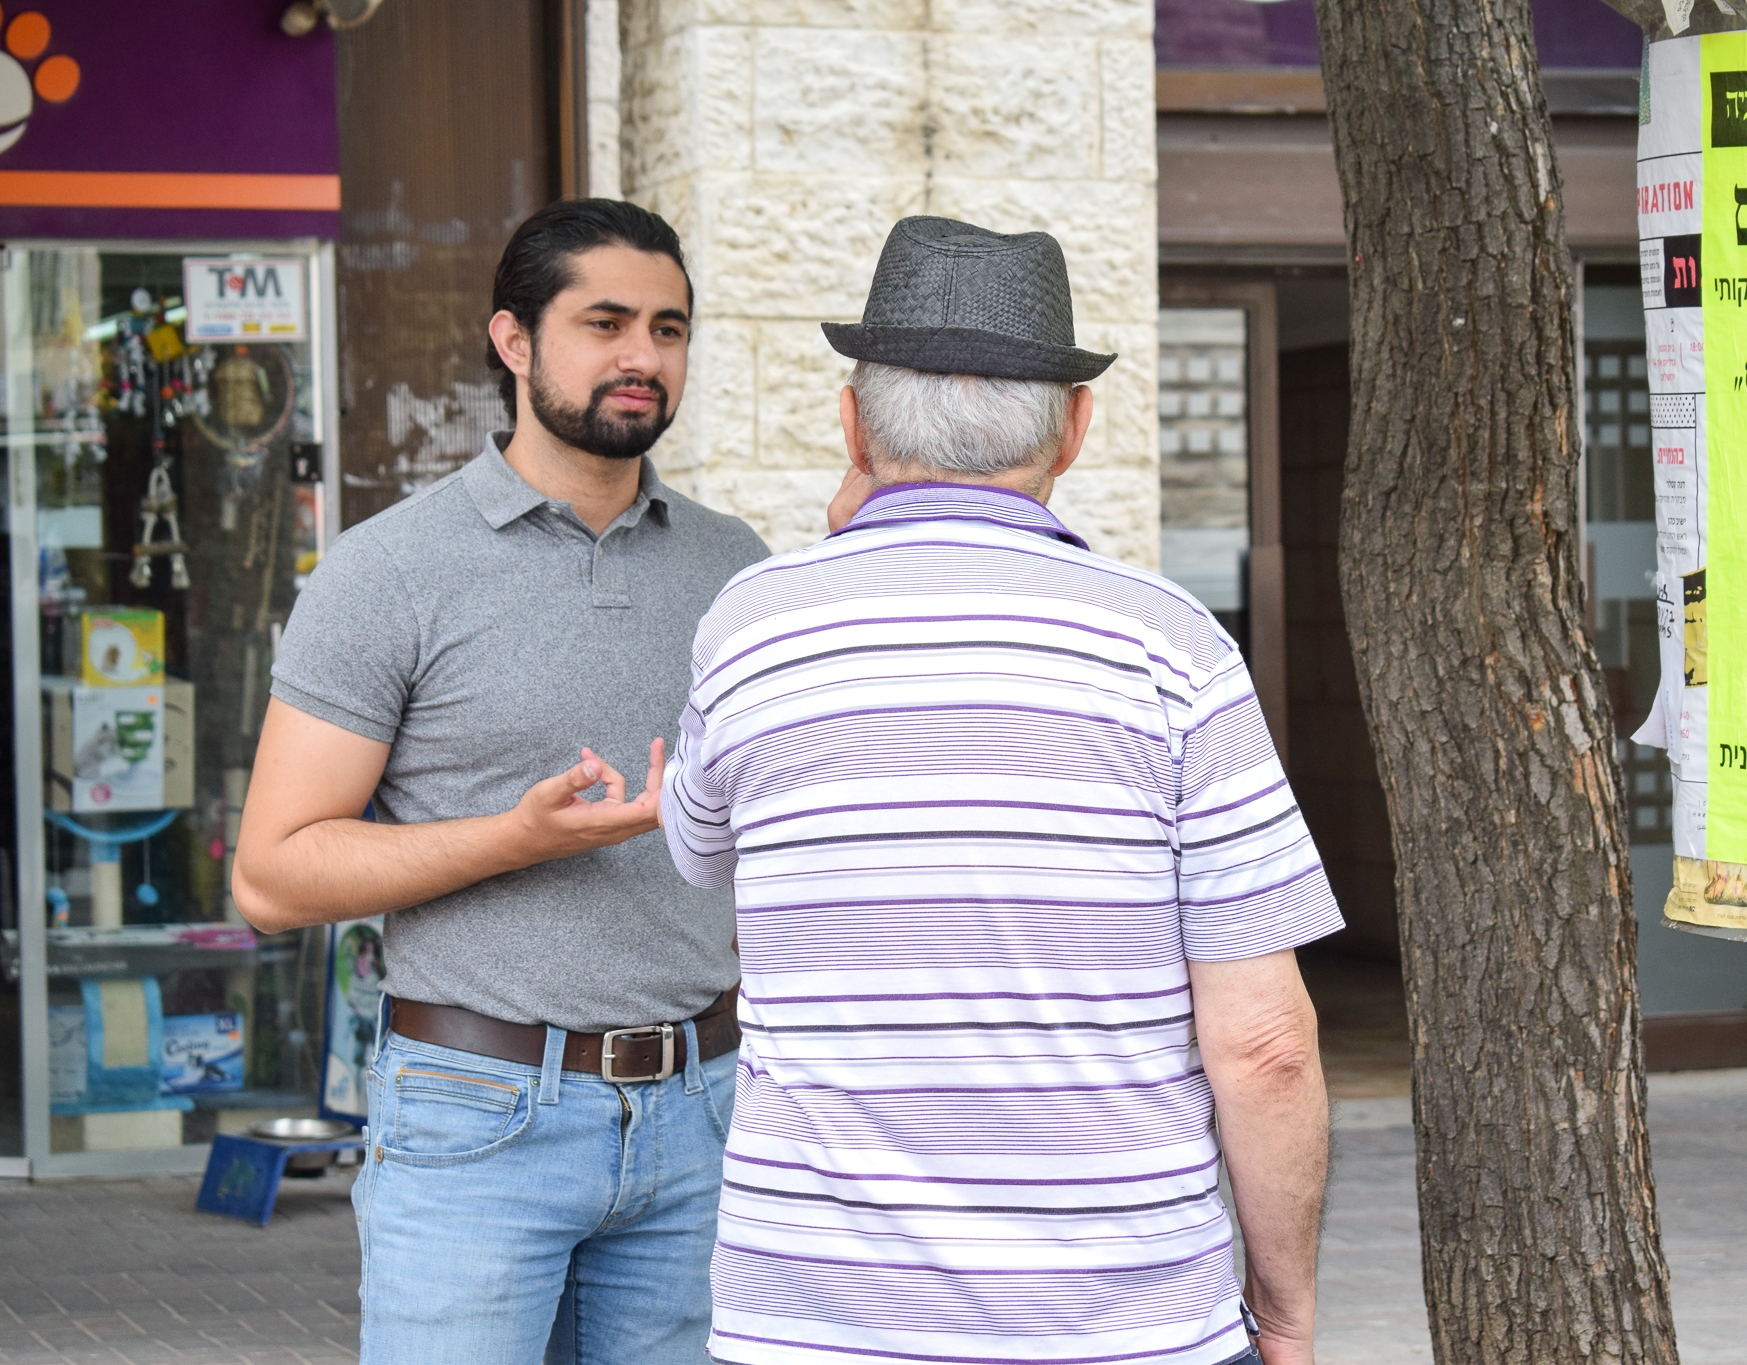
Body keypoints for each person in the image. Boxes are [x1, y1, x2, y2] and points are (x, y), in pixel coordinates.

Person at [660, 216, 1343, 1365]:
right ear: (1073, 429)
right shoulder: (1170, 648)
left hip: (817, 1328)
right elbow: (1265, 1043)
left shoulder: (750, 628)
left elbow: (696, 851)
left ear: (852, 426)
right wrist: (1282, 1312)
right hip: (1126, 1325)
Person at [233, 199, 768, 1365]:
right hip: (477, 1110)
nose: (642, 357)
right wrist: (512, 839)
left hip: (706, 1111)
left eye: (669, 329)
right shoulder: (388, 571)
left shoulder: (739, 570)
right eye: (606, 322)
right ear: (513, 342)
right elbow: (272, 876)